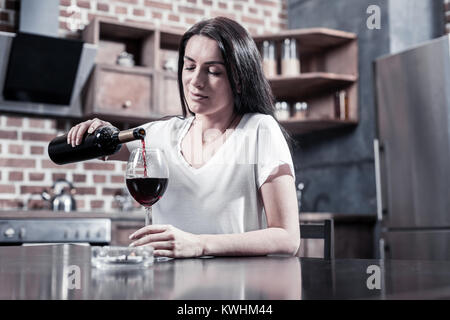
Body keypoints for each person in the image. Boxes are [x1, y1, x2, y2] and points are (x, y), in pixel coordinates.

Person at [67, 17, 300, 258]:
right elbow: (106, 145)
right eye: (189, 67)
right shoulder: (159, 135)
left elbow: (287, 237)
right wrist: (99, 131)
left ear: (239, 81)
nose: (196, 81)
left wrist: (200, 244)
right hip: (165, 289)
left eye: (213, 71)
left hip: (234, 286)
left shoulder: (259, 131)